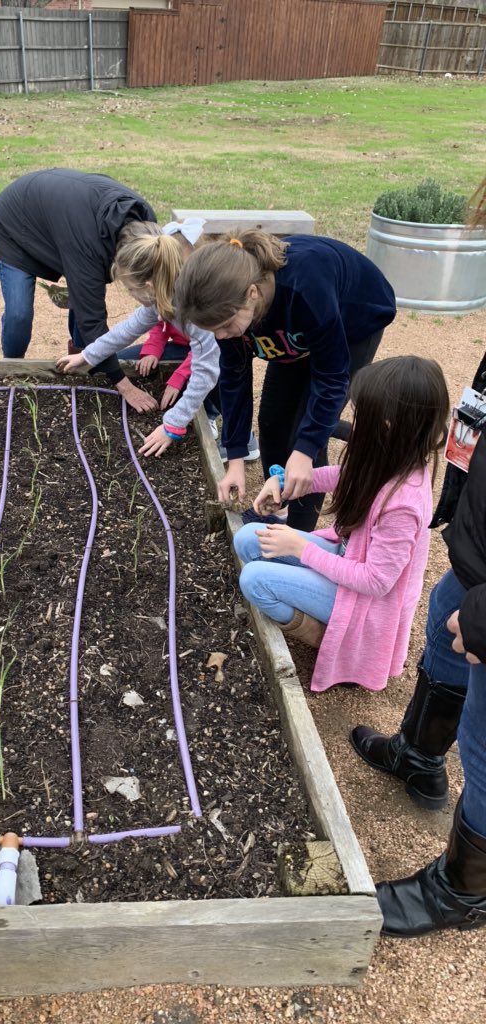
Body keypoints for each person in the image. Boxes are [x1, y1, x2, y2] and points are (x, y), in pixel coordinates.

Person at [348, 176, 486, 938]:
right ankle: (416, 758)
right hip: (474, 558)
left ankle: (462, 893)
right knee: (441, 640)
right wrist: (457, 489)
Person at [233, 355, 449, 693]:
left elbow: (376, 582)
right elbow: (340, 476)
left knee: (254, 579)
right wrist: (283, 482)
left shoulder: (404, 504)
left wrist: (301, 548)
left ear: (388, 425)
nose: (353, 419)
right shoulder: (391, 455)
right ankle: (313, 600)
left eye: (361, 414)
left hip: (365, 604)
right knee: (248, 538)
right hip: (346, 559)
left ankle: (334, 639)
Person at [174, 230, 397, 531]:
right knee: (272, 421)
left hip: (352, 321)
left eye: (225, 327)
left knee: (304, 437)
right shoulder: (228, 315)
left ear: (252, 294)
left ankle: (297, 534)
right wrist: (236, 457)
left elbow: (331, 378)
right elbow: (234, 379)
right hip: (295, 332)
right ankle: (279, 502)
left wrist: (304, 451)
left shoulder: (304, 287)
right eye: (214, 331)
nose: (221, 337)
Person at [0, 167, 159, 413]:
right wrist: (125, 386)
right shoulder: (88, 247)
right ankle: (11, 372)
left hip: (62, 222)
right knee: (19, 314)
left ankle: (82, 363)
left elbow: (89, 300)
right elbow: (92, 318)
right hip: (15, 223)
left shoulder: (146, 229)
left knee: (86, 294)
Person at [55, 225, 219, 458]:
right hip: (205, 355)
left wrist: (172, 425)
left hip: (230, 353)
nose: (130, 295)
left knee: (224, 383)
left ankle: (234, 436)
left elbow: (206, 368)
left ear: (149, 287)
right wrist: (87, 355)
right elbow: (127, 330)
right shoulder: (162, 297)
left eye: (131, 289)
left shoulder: (194, 309)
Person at [113, 218, 260, 461]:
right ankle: (203, 412)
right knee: (123, 362)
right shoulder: (167, 290)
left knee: (218, 372)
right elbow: (159, 325)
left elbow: (205, 352)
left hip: (203, 357)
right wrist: (152, 350)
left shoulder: (200, 297)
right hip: (184, 352)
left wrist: (179, 377)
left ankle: (226, 427)